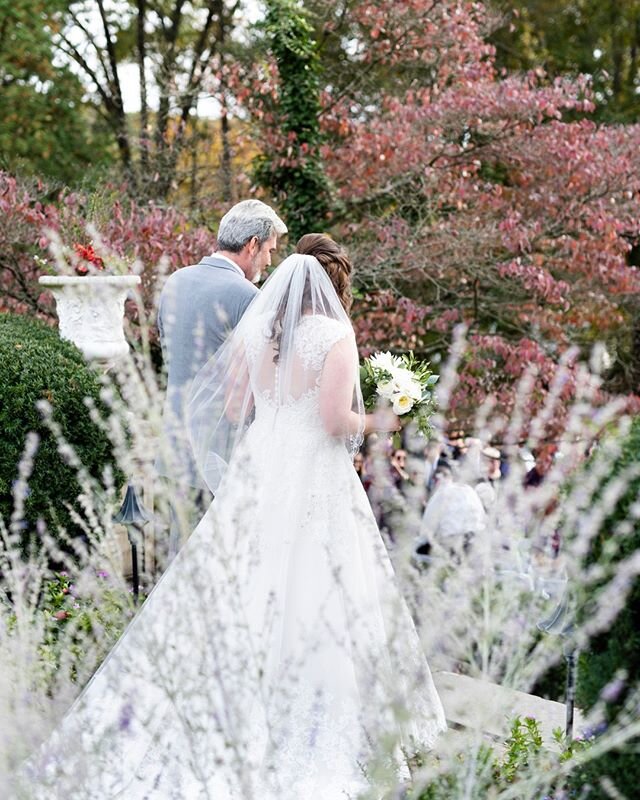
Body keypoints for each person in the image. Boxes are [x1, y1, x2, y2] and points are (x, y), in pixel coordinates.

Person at [27, 238, 446, 798]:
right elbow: (332, 422)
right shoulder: (335, 335)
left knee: (236, 584)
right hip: (314, 477)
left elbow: (230, 409)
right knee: (320, 588)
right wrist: (384, 418)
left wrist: (278, 411)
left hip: (260, 467)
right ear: (337, 285)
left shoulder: (258, 330)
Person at [156, 199, 287, 555]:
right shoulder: (248, 296)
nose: (269, 261)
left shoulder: (174, 283)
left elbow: (169, 354)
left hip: (173, 448)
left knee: (175, 567)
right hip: (219, 454)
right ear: (251, 245)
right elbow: (260, 383)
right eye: (269, 250)